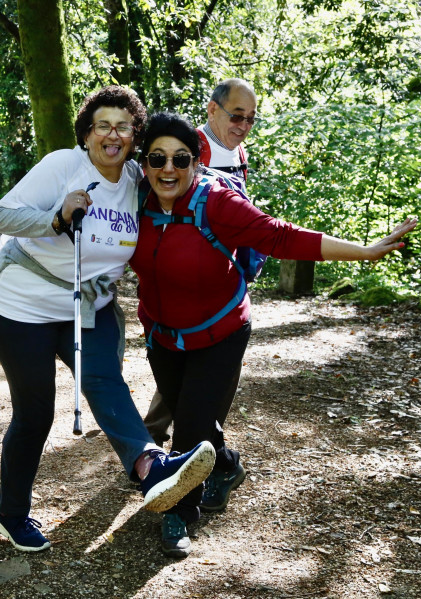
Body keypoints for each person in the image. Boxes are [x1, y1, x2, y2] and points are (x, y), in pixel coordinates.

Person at [131, 112, 418, 557]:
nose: (168, 168)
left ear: (196, 162)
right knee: (197, 417)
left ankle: (180, 513)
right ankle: (225, 466)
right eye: (157, 158)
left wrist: (361, 253)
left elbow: (281, 237)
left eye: (180, 158)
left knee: (188, 427)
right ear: (144, 162)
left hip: (221, 332)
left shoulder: (218, 202)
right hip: (164, 336)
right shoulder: (135, 200)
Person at [0, 86, 218, 553]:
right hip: (22, 307)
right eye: (102, 126)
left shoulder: (139, 178)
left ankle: (150, 467)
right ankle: (11, 513)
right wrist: (56, 218)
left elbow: (186, 180)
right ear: (87, 133)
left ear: (134, 134)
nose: (112, 135)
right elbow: (5, 217)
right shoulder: (63, 165)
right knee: (35, 414)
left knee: (104, 380)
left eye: (122, 126)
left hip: (88, 307)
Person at [144, 78, 259, 446]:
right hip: (183, 282)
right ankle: (169, 442)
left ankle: (191, 445)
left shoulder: (238, 154)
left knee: (213, 373)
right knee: (186, 368)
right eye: (236, 116)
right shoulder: (189, 150)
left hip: (227, 276)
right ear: (212, 109)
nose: (242, 127)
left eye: (250, 120)